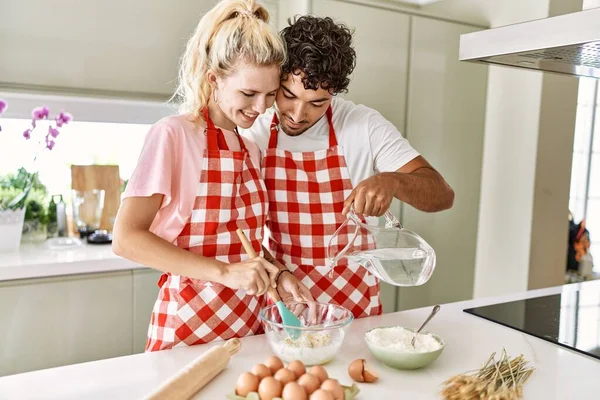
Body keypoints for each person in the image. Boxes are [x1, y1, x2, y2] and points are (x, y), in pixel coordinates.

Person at [112, 0, 308, 352]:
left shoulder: (249, 149)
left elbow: (238, 241)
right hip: (186, 330)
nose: (261, 108)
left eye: (269, 94)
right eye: (248, 93)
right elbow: (126, 238)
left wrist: (277, 273)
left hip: (249, 328)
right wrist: (225, 273)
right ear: (213, 78)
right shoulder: (173, 135)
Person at [241, 16, 454, 318]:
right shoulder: (255, 131)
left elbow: (442, 195)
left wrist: (393, 181)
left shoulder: (362, 125)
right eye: (288, 95)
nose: (298, 114)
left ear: (335, 94)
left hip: (354, 306)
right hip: (283, 300)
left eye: (318, 103)